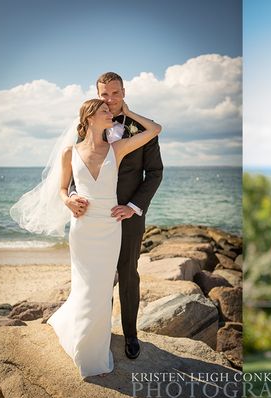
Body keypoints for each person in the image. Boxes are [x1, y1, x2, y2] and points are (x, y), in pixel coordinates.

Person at [67, 72, 163, 359]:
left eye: (115, 93)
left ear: (124, 92)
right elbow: (77, 166)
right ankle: (100, 332)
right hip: (94, 215)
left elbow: (155, 172)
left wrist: (133, 206)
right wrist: (72, 196)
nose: (109, 100)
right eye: (104, 95)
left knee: (127, 273)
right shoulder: (89, 124)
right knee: (98, 275)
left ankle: (131, 336)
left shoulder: (139, 128)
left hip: (128, 215)